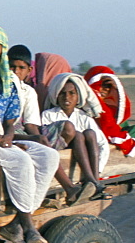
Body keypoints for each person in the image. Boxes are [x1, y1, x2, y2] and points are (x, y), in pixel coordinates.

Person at [0, 23, 58, 243]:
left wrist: (9, 136)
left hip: (0, 137)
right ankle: (27, 225)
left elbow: (10, 116)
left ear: (2, 49)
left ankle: (17, 221)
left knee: (49, 156)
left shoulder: (10, 80)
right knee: (21, 160)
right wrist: (7, 141)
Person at [10, 45, 94, 204]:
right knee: (41, 144)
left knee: (68, 128)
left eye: (21, 68)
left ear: (29, 70)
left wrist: (37, 137)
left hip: (24, 131)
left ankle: (49, 160)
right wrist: (37, 140)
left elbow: (31, 124)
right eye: (12, 67)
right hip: (7, 134)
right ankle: (69, 187)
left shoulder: (28, 92)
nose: (16, 71)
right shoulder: (0, 90)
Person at [32, 73, 112, 199]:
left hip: (86, 159)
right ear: (56, 96)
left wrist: (100, 169)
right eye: (62, 93)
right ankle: (91, 181)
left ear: (78, 96)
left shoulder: (83, 117)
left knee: (90, 133)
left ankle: (94, 180)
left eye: (72, 93)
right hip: (61, 152)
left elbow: (103, 145)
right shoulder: (48, 115)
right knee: (78, 135)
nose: (66, 97)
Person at [85, 65, 135, 191]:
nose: (105, 90)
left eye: (109, 87)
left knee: (125, 124)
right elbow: (108, 127)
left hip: (98, 135)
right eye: (102, 85)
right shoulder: (94, 102)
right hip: (100, 136)